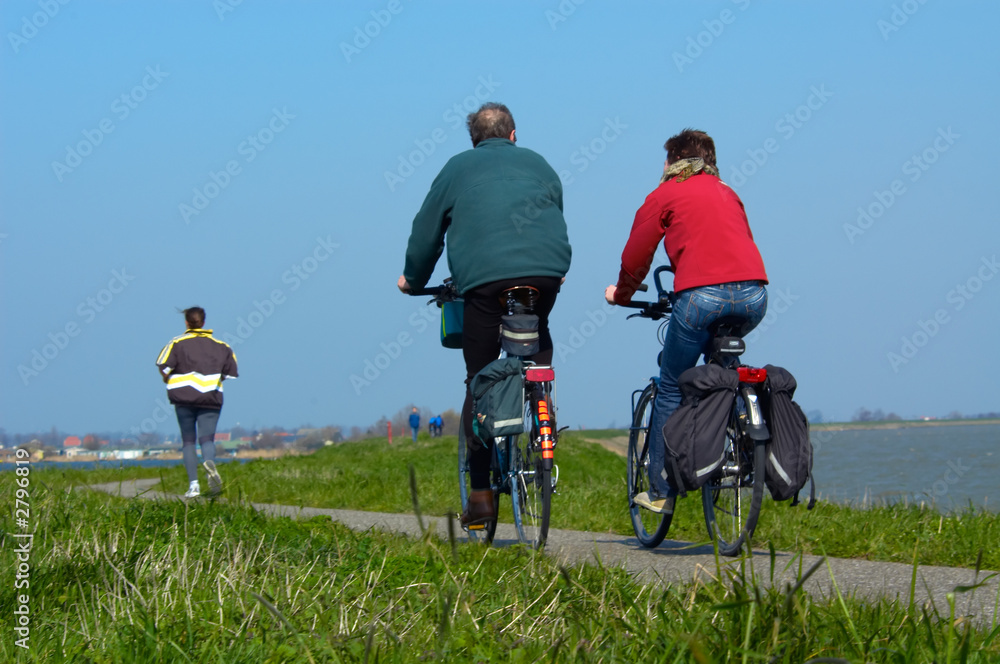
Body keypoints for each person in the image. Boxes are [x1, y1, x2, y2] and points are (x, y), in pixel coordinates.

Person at [397, 102, 572, 529]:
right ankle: (541, 407)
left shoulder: (458, 168)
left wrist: (412, 278)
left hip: (485, 284)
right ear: (514, 134)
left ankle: (480, 497)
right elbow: (555, 216)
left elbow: (427, 230)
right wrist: (549, 269)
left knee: (479, 377)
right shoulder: (540, 164)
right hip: (546, 273)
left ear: (474, 140)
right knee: (538, 347)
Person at [605, 128, 768, 514]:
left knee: (672, 384)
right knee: (722, 377)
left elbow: (636, 255)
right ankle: (734, 441)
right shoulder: (729, 192)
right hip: (755, 295)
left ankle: (661, 490)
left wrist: (622, 294)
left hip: (700, 297)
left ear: (673, 162)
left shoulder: (665, 194)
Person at [155, 306, 239, 498]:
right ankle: (209, 463)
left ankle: (194, 485)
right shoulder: (222, 346)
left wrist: (168, 379)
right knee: (207, 439)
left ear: (186, 322)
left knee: (188, 440)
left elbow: (163, 367)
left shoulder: (176, 343)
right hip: (211, 397)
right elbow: (230, 373)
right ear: (204, 322)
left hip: (183, 397)